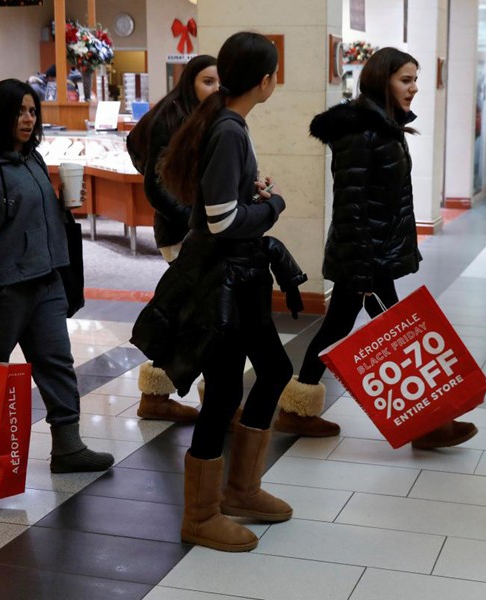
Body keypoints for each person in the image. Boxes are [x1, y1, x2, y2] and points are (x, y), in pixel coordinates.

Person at [274, 47, 478, 449]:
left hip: (372, 255)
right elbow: (350, 208)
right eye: (406, 80)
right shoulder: (361, 132)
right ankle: (426, 424)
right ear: (381, 80)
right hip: (365, 257)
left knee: (340, 326)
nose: (414, 88)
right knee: (399, 335)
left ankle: (297, 410)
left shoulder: (383, 126)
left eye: (416, 79)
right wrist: (363, 269)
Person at [156, 31, 296, 552]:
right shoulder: (230, 129)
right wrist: (273, 205)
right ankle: (201, 513)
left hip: (240, 276)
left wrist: (253, 194)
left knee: (275, 371)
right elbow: (220, 220)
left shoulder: (228, 123)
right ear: (265, 80)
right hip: (223, 281)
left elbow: (222, 205)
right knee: (223, 393)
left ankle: (240, 489)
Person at [0, 79, 114, 474]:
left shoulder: (31, 158)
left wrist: (61, 203)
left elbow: (35, 216)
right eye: (19, 112)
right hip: (5, 290)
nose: (28, 119)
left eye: (31, 111)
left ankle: (68, 447)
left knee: (57, 363)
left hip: (45, 281)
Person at [131, 54, 219, 423]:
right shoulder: (173, 119)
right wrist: (195, 222)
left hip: (194, 231)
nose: (216, 89)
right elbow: (156, 187)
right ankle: (209, 399)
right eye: (208, 82)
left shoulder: (199, 117)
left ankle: (157, 393)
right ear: (190, 84)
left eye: (219, 83)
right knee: (205, 317)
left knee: (198, 315)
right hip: (182, 233)